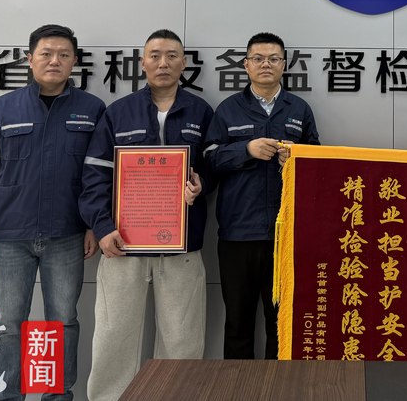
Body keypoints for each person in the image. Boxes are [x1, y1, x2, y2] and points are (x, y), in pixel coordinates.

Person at [0, 24, 105, 400]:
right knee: (8, 323)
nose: (54, 61)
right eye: (46, 53)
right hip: (9, 236)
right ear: (30, 59)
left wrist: (94, 225)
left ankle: (56, 396)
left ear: (74, 61)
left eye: (63, 54)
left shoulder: (92, 109)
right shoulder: (3, 108)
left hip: (67, 234)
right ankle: (9, 395)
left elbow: (98, 175)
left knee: (62, 322)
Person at [79, 29, 213, 401]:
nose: (163, 63)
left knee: (183, 340)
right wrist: (102, 227)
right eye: (154, 55)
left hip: (182, 247)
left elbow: (214, 168)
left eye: (171, 55)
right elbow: (94, 176)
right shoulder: (118, 112)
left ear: (184, 63)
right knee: (113, 337)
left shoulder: (201, 112)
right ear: (142, 62)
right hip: (123, 245)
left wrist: (201, 185)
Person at [206, 32, 320, 359]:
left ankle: (277, 386)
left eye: (273, 59)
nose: (265, 64)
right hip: (237, 234)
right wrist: (246, 149)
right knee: (237, 323)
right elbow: (210, 159)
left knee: (281, 324)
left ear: (285, 64)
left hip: (285, 236)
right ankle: (237, 386)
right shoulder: (228, 109)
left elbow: (318, 163)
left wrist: (297, 158)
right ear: (246, 65)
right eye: (258, 59)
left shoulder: (299, 109)